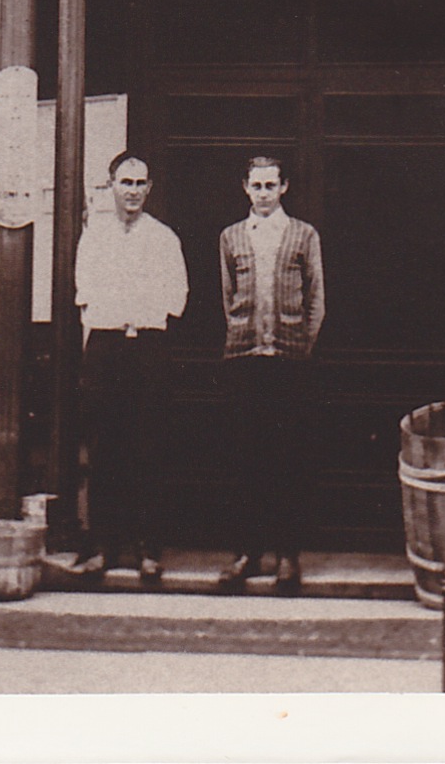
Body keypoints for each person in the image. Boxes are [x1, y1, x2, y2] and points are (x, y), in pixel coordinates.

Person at [70, 151, 187, 582]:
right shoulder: (94, 237)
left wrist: (141, 313)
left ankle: (147, 548)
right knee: (104, 449)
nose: (133, 191)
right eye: (126, 182)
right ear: (111, 185)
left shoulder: (163, 238)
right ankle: (103, 545)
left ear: (149, 189)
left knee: (147, 449)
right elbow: (86, 293)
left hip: (148, 347)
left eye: (140, 183)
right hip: (106, 346)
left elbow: (177, 297)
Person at [214, 155, 325, 595]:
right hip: (244, 362)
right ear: (245, 187)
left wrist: (298, 346)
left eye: (270, 185)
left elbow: (317, 298)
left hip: (289, 363)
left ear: (284, 187)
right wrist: (245, 338)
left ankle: (287, 556)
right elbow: (227, 297)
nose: (263, 193)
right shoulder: (231, 237)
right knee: (245, 459)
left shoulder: (303, 235)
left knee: (287, 460)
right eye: (256, 185)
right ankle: (246, 553)